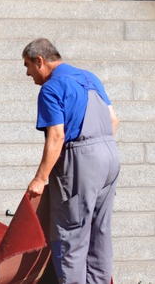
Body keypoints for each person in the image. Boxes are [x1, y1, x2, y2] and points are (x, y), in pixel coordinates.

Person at [22, 38, 120, 284]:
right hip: (109, 155)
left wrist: (40, 178)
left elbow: (56, 136)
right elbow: (114, 120)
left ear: (40, 61)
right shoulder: (90, 78)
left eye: (27, 66)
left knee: (71, 234)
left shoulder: (51, 88)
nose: (27, 73)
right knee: (100, 231)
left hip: (81, 160)